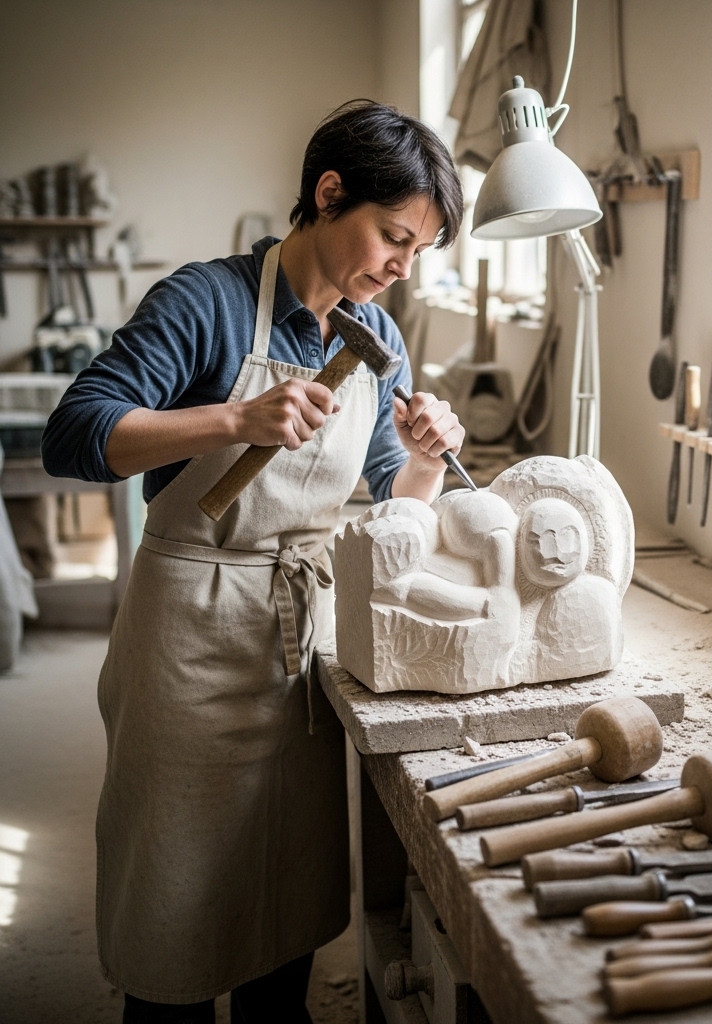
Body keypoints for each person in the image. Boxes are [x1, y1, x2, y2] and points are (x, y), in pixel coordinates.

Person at [41, 99, 466, 1022]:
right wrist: (235, 418)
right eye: (393, 237)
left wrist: (427, 457)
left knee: (282, 913)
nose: (399, 268)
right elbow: (72, 436)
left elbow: (394, 512)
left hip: (299, 650)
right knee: (176, 922)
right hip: (189, 640)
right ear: (328, 192)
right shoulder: (207, 301)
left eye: (417, 253)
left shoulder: (378, 341)